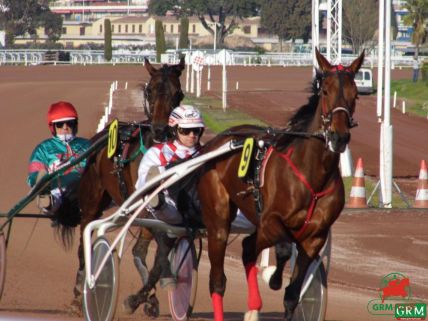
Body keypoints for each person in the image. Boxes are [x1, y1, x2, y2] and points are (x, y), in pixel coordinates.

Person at [135, 104, 205, 225]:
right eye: (186, 130)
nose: (192, 135)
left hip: (203, 206)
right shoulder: (157, 153)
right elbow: (140, 185)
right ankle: (157, 201)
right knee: (165, 207)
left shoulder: (207, 153)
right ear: (174, 129)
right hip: (172, 207)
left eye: (196, 130)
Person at [28, 101, 90, 224]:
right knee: (45, 186)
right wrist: (46, 174)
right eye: (60, 124)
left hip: (85, 189)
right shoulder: (43, 148)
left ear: (75, 124)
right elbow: (32, 176)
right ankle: (45, 199)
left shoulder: (87, 145)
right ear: (53, 127)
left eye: (70, 123)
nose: (65, 127)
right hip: (57, 192)